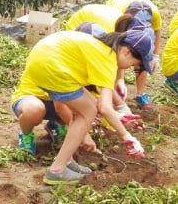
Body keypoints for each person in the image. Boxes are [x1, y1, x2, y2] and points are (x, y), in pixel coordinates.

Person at [19, 23, 151, 185]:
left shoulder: (100, 48)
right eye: (132, 64)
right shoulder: (108, 59)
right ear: (126, 52)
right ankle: (57, 170)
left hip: (41, 60)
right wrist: (127, 136)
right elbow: (105, 107)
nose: (129, 68)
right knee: (87, 113)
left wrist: (118, 116)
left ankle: (65, 161)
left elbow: (100, 105)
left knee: (85, 109)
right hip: (51, 65)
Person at [65, 4, 132, 115]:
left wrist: (120, 82)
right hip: (81, 20)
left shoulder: (106, 45)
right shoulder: (74, 57)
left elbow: (104, 80)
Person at [106, 0, 162, 110]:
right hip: (118, 2)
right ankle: (114, 90)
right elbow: (119, 49)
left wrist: (154, 55)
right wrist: (120, 79)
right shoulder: (117, 17)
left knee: (140, 56)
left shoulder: (154, 13)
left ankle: (140, 94)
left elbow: (157, 31)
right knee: (120, 55)